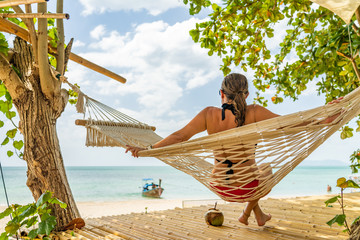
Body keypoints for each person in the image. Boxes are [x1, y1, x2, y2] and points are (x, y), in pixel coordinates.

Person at [125, 73, 342, 226]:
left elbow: (179, 136)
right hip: (249, 188)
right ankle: (249, 211)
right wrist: (323, 120)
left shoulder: (208, 114)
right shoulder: (255, 112)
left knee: (252, 173)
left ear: (221, 93)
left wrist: (149, 148)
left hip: (220, 187)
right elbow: (290, 123)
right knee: (266, 168)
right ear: (246, 94)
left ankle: (253, 215)